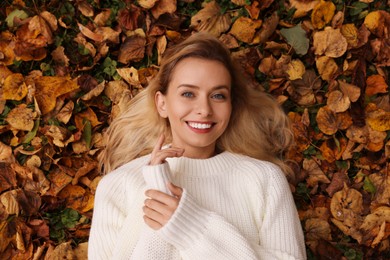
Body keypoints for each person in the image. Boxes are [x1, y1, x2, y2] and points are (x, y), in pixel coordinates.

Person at [88, 32, 306, 259]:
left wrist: (192, 227)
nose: (204, 109)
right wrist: (159, 185)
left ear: (231, 105)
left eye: (218, 96)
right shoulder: (117, 186)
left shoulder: (265, 180)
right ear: (162, 103)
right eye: (188, 93)